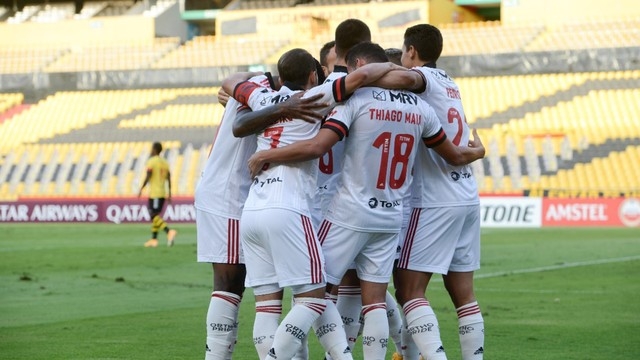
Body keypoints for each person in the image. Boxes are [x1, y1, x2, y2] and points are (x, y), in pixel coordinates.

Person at [247, 42, 485, 360]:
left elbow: (318, 146)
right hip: (389, 216)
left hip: (349, 211)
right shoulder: (420, 107)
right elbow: (454, 155)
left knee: (313, 295)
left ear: (359, 65)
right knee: (374, 302)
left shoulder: (356, 100)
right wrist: (479, 151)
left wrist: (267, 154)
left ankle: (284, 356)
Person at [195, 72, 329, 360]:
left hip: (248, 195)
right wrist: (282, 105)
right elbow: (239, 122)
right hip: (230, 191)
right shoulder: (262, 88)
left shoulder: (259, 92)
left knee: (269, 293)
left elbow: (232, 88)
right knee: (230, 283)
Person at [379, 24, 487, 360]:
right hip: (466, 196)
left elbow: (406, 80)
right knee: (464, 295)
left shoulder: (422, 77)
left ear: (410, 51)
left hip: (434, 200)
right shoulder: (451, 83)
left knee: (409, 289)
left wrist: (358, 76)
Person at [138, 141, 177, 248]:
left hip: (155, 193)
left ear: (154, 149)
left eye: (152, 149)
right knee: (155, 216)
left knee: (153, 215)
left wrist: (141, 188)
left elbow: (148, 175)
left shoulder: (151, 161)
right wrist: (169, 193)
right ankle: (154, 239)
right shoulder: (165, 162)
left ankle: (169, 231)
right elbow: (169, 179)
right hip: (162, 193)